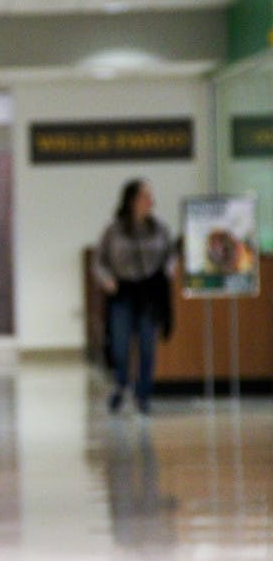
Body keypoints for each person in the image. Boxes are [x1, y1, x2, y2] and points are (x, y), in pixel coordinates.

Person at [95, 178, 174, 415]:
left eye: (151, 197)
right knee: (120, 345)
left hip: (149, 292)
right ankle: (121, 384)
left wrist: (169, 269)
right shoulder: (113, 229)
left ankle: (143, 393)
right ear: (132, 200)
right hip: (122, 292)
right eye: (146, 196)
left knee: (147, 345)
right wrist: (106, 278)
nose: (151, 201)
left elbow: (170, 254)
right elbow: (99, 261)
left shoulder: (159, 229)